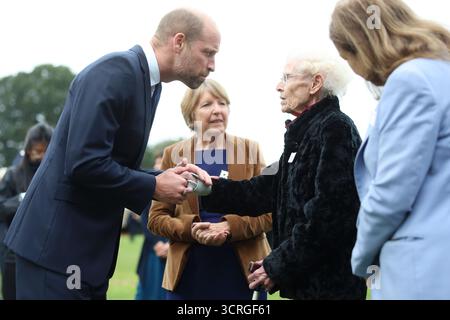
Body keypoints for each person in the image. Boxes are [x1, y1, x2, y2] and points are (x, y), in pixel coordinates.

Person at [4, 8, 219, 300]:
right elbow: (83, 163)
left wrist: (165, 177)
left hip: (83, 256)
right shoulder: (117, 71)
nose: (212, 65)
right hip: (58, 253)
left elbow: (108, 164)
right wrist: (154, 185)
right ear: (178, 41)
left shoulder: (148, 84)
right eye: (208, 52)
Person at [199, 54, 366, 300]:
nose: (279, 86)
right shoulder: (307, 132)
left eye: (286, 78)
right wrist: (207, 188)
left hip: (331, 288)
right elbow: (267, 190)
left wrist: (277, 265)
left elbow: (329, 216)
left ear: (315, 84)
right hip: (307, 285)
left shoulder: (335, 128)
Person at [330, 0, 450, 299]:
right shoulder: (441, 74)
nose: (355, 71)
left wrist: (360, 258)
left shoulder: (410, 81)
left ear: (362, 44)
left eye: (347, 57)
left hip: (421, 269)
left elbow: (391, 192)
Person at [149, 79, 272, 300]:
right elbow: (156, 218)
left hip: (242, 275)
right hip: (189, 276)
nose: (217, 110)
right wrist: (192, 229)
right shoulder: (173, 154)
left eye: (222, 103)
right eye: (207, 105)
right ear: (190, 114)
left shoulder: (249, 150)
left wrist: (229, 227)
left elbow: (270, 212)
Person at [0, 123, 53, 300]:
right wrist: (22, 200)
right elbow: (1, 207)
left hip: (47, 254)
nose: (42, 156)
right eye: (37, 150)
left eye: (46, 150)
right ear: (28, 149)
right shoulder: (13, 175)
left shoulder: (55, 177)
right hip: (13, 254)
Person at [135, 154, 169, 300]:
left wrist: (170, 245)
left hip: (173, 251)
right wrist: (157, 244)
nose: (157, 168)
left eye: (161, 164)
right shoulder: (149, 191)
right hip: (152, 251)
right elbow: (144, 219)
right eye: (156, 164)